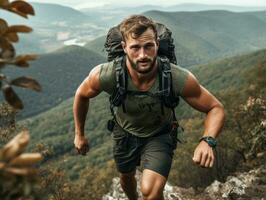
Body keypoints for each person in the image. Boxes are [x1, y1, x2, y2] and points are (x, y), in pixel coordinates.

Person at [73, 15, 225, 200]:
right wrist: (79, 134)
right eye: (135, 47)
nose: (143, 55)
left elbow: (215, 108)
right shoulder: (107, 74)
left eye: (148, 46)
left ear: (157, 45)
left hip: (159, 135)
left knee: (151, 192)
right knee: (126, 177)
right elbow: (81, 95)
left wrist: (207, 141)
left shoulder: (176, 77)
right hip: (124, 133)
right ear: (124, 48)